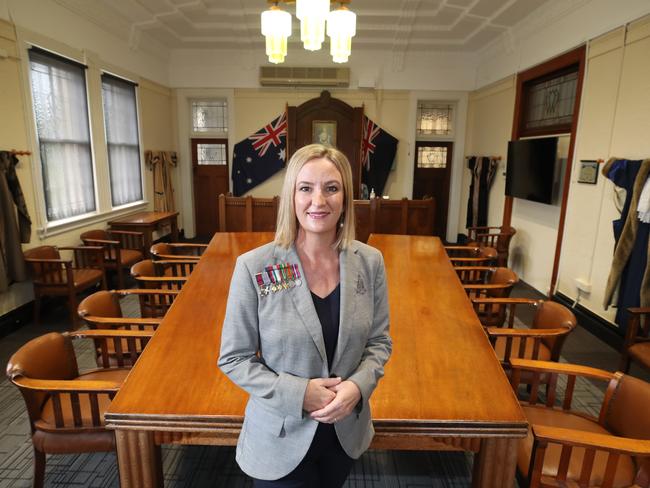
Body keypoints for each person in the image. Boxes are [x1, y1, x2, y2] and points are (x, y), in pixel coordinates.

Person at [218, 143, 392, 487]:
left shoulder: (370, 263)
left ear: (345, 197)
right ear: (291, 196)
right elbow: (234, 359)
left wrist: (358, 387)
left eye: (331, 188)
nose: (318, 201)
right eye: (306, 188)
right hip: (280, 437)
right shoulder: (255, 267)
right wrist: (298, 393)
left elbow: (379, 343)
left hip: (344, 435)